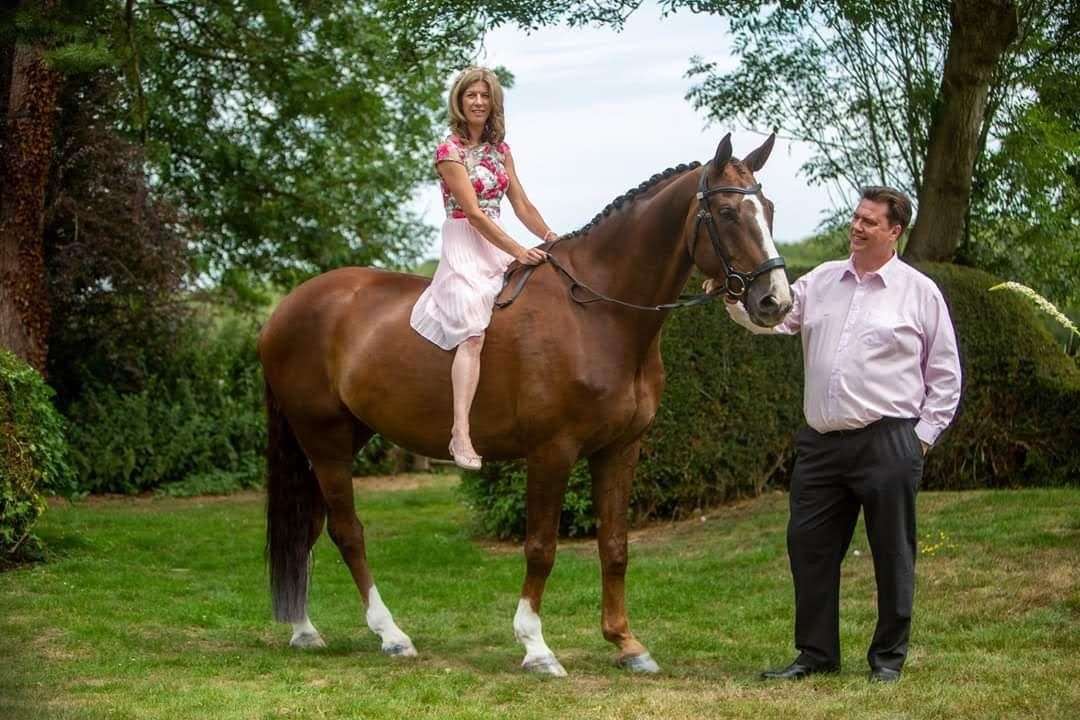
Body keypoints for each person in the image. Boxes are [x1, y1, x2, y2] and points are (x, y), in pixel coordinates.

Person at [714, 186, 962, 683]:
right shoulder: (823, 279)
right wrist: (734, 299)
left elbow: (946, 374)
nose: (857, 226)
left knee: (892, 553)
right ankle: (816, 655)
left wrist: (921, 438)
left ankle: (887, 661)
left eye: (870, 221)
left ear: (894, 232)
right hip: (820, 446)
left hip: (888, 442)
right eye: (856, 217)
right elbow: (776, 322)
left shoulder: (919, 292)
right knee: (809, 549)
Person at [410, 66, 555, 471]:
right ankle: (460, 434)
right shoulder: (448, 151)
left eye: (484, 96)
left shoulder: (501, 152)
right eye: (471, 95)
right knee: (473, 332)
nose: (478, 101)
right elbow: (472, 214)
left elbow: (521, 205)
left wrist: (550, 236)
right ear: (460, 101)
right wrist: (519, 249)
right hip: (465, 244)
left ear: (493, 103)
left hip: (498, 240)